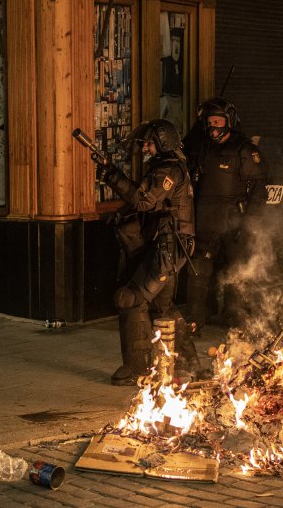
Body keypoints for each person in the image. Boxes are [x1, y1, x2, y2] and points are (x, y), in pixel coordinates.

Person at [97, 119, 198, 386]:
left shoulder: (168, 170)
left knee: (129, 298)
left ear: (164, 143)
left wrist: (113, 176)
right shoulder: (169, 168)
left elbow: (143, 200)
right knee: (162, 306)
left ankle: (137, 368)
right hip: (168, 245)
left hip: (168, 247)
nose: (147, 148)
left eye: (151, 143)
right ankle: (191, 364)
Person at [184, 97, 266, 330]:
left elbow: (259, 191)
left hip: (234, 221)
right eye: (210, 122)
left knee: (236, 272)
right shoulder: (201, 148)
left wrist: (249, 223)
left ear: (229, 122)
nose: (214, 127)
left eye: (218, 121)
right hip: (205, 221)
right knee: (198, 272)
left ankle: (234, 318)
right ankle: (195, 320)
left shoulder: (245, 150)